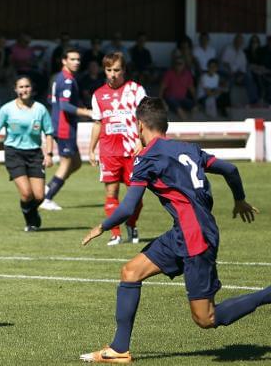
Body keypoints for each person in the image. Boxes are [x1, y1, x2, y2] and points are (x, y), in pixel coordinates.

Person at [80, 97, 267, 363]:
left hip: (195, 237)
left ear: (140, 125)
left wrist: (102, 226)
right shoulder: (188, 148)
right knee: (130, 272)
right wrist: (239, 199)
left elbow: (127, 207)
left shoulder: (147, 158)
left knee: (206, 318)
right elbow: (231, 169)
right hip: (185, 231)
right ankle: (119, 349)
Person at [89, 52, 146, 246]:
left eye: (117, 70)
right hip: (109, 151)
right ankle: (115, 233)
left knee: (136, 197)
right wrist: (91, 149)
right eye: (109, 70)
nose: (113, 74)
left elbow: (144, 118)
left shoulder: (136, 90)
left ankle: (131, 224)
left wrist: (141, 140)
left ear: (124, 70)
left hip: (132, 150)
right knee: (111, 193)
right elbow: (98, 123)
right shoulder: (98, 94)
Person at [0, 76, 54, 231]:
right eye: (21, 87)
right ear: (15, 90)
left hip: (35, 154)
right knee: (26, 193)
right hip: (14, 154)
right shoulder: (7, 109)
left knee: (39, 196)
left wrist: (49, 154)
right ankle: (31, 221)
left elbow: (49, 133)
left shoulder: (40, 109)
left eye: (27, 86)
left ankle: (30, 210)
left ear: (32, 88)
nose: (24, 90)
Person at [41, 48, 93, 211]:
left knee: (76, 163)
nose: (76, 62)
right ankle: (47, 198)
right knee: (67, 162)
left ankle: (48, 189)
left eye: (78, 59)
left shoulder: (58, 78)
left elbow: (51, 100)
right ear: (64, 61)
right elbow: (64, 105)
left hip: (62, 124)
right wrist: (86, 112)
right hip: (64, 127)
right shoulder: (68, 80)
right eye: (72, 59)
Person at [220, 33, 259, 106]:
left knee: (248, 79)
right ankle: (226, 105)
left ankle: (254, 102)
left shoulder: (242, 54)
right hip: (225, 72)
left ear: (242, 43)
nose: (238, 42)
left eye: (240, 41)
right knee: (229, 80)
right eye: (237, 40)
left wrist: (241, 76)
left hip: (236, 73)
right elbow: (224, 63)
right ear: (234, 40)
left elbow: (243, 69)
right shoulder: (228, 48)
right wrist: (231, 72)